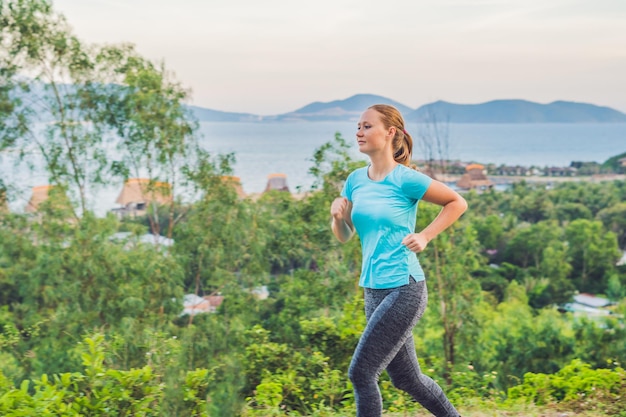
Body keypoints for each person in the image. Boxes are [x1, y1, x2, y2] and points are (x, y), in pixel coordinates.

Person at [330, 104, 467, 417]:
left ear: (390, 133)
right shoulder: (355, 180)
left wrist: (426, 236)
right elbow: (345, 235)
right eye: (358, 126)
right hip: (373, 289)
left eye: (366, 126)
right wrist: (338, 217)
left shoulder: (406, 179)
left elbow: (456, 202)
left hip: (404, 287)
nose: (358, 132)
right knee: (407, 378)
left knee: (361, 373)